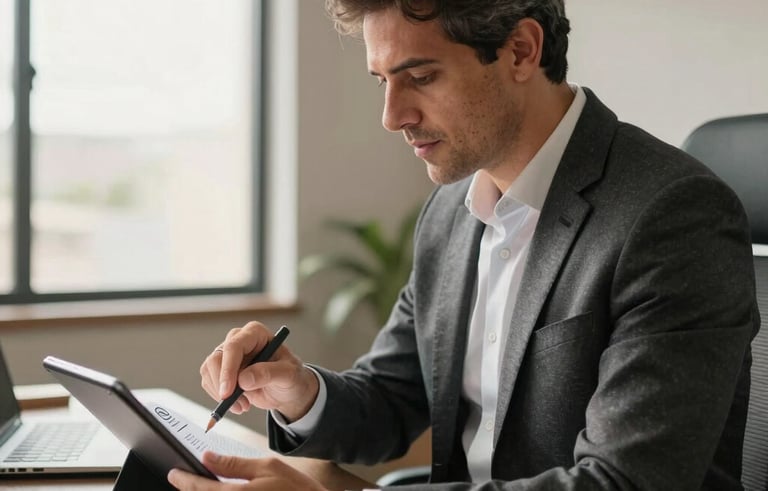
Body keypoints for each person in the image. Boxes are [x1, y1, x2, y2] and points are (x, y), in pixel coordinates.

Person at [168, 0, 761, 489]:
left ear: (522, 51)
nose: (392, 115)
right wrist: (300, 393)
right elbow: (394, 398)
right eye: (382, 80)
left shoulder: (671, 215)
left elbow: (623, 484)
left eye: (420, 77)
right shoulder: (453, 210)